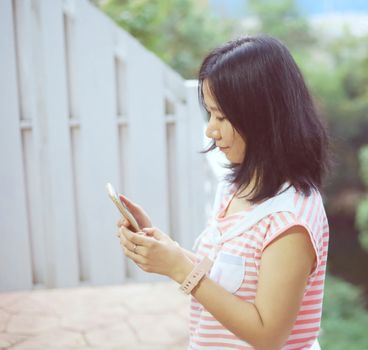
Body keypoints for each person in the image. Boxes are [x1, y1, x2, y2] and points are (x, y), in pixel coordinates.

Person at [116, 35, 330, 350]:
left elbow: (268, 335)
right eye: (210, 114)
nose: (210, 129)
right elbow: (226, 281)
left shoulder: (290, 219)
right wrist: (166, 251)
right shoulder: (236, 187)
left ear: (261, 118)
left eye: (222, 117)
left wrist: (179, 268)